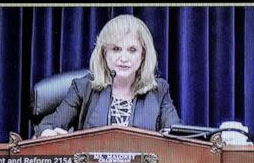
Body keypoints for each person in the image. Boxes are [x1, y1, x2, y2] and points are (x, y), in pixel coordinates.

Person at [37, 14, 180, 137]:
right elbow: (48, 125)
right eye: (116, 49)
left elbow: (176, 132)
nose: (124, 58)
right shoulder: (83, 87)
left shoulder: (159, 90)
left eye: (132, 50)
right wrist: (48, 132)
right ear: (104, 53)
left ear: (143, 55)